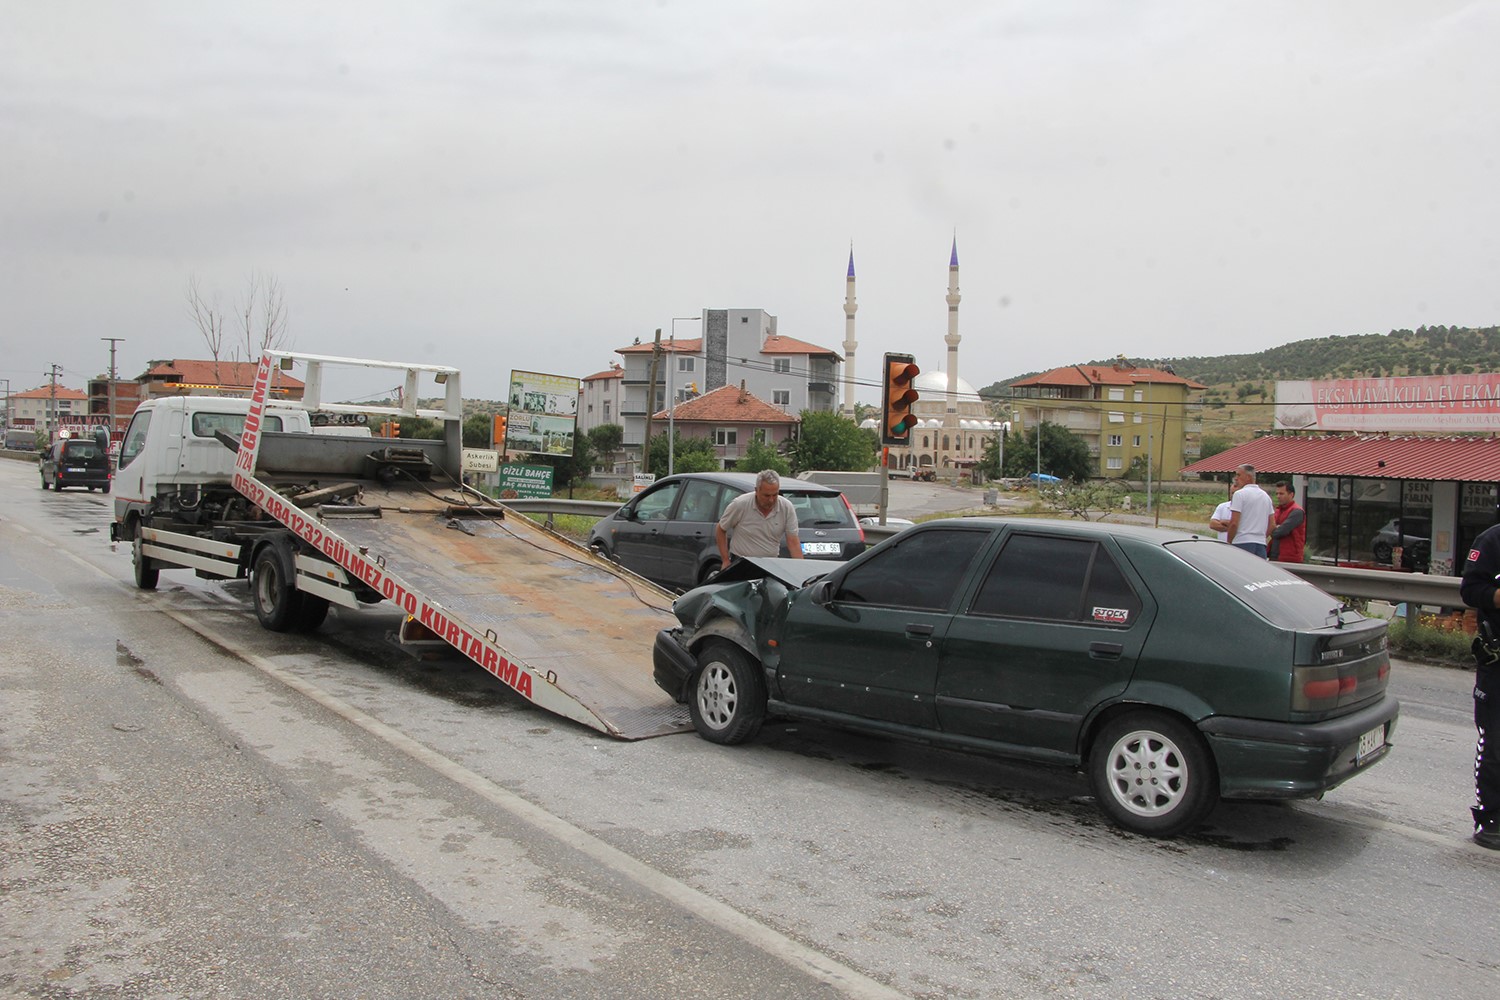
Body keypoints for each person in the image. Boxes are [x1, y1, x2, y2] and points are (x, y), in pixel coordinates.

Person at [1460, 524, 1500, 850]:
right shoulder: (1491, 540)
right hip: (1497, 663)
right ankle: (1492, 820)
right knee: (1496, 743)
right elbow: (1471, 590)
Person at [716, 469, 803, 566]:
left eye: (775, 495)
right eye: (766, 496)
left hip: (771, 563)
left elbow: (793, 542)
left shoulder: (786, 507)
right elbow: (721, 529)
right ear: (756, 490)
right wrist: (725, 560)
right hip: (741, 563)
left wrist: (800, 568)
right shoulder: (740, 504)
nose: (771, 500)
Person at [1225, 464, 1275, 558]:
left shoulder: (1239, 494)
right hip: (1260, 544)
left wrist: (1229, 541)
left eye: (1238, 475)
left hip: (1242, 542)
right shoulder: (1265, 496)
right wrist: (1261, 537)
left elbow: (1234, 523)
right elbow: (1272, 524)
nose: (1236, 478)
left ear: (1248, 477)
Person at [1268, 481, 1306, 563]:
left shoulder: (1297, 511)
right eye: (1277, 493)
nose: (1278, 496)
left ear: (1291, 495)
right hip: (1274, 555)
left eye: (1281, 494)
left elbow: (1280, 532)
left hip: (1290, 558)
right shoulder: (1278, 510)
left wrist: (1273, 528)